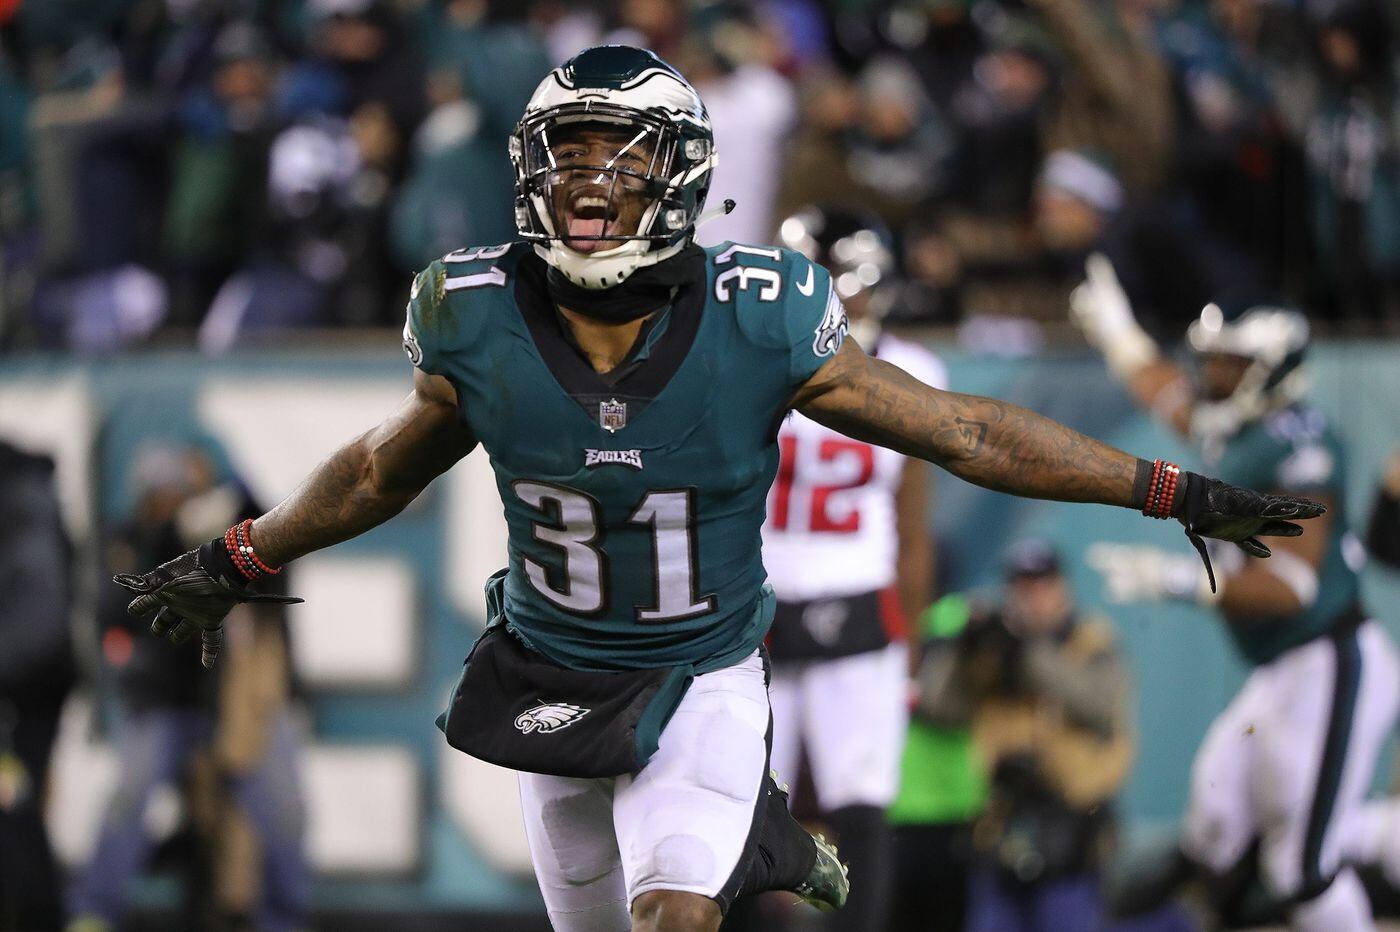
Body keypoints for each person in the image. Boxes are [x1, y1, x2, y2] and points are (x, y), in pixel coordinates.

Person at [114, 46, 1323, 932]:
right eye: (566, 153)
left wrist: (1162, 486)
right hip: (551, 673)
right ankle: (762, 833)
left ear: (681, 175)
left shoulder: (758, 313)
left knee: (676, 912)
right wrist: (240, 555)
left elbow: (961, 431)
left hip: (701, 668)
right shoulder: (473, 313)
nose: (587, 181)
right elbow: (379, 468)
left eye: (619, 155)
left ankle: (739, 832)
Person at [1073, 256, 1400, 930]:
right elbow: (1168, 396)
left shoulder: (1300, 445)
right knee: (1214, 827)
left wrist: (1178, 582)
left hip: (1329, 662)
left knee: (1301, 873)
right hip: (1281, 668)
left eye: (1230, 362)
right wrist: (1118, 336)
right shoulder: (1242, 430)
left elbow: (1291, 588)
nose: (1213, 375)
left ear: (1273, 367)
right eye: (1212, 359)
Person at [761, 206, 944, 932]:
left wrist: (911, 641)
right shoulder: (753, 359)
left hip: (844, 606)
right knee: (742, 803)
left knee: (857, 807)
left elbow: (913, 530)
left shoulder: (911, 371)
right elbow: (914, 535)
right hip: (769, 608)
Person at [918, 541, 1133, 932]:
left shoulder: (1090, 639)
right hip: (1001, 823)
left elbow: (1099, 703)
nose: (1031, 598)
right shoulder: (996, 648)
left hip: (1071, 828)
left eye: (1041, 585)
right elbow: (939, 707)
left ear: (1062, 588)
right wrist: (961, 649)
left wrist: (1028, 654)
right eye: (1021, 587)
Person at [0, 440, 76, 932]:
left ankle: (37, 914)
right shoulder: (30, 503)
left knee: (14, 807)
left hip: (20, 692)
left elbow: (36, 619)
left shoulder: (20, 511)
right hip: (29, 684)